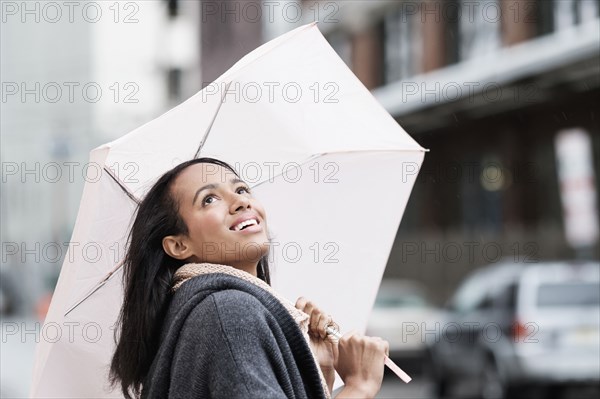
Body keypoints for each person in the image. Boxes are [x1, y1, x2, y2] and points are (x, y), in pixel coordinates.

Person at [109, 157, 389, 398]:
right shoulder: (228, 313)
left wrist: (319, 368)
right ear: (179, 246)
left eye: (241, 189)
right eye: (209, 199)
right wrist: (359, 387)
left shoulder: (202, 311)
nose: (241, 201)